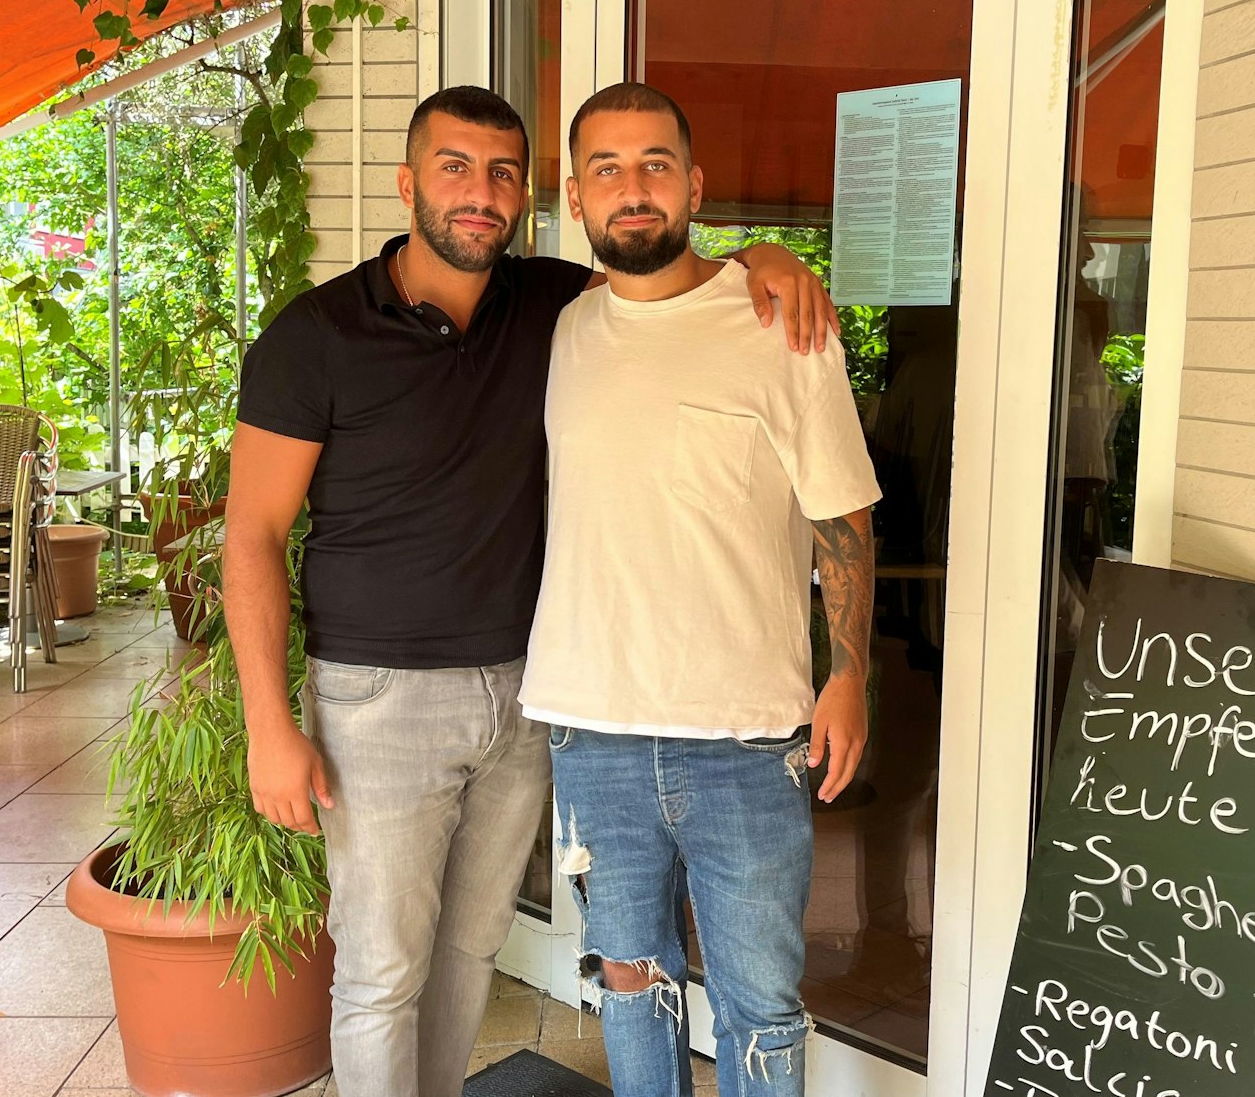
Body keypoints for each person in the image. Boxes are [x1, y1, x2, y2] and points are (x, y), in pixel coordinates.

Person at [223, 85, 836, 1097]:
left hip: (524, 696)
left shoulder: (550, 303)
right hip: (377, 699)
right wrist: (265, 725)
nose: (480, 193)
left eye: (502, 173)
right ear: (407, 182)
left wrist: (763, 259)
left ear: (528, 195)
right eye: (454, 168)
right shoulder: (317, 335)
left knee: (468, 953)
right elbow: (250, 536)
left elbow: (661, 264)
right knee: (380, 975)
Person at [520, 82, 881, 1096]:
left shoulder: (779, 324)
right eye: (606, 168)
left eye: (655, 164)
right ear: (576, 197)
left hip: (745, 736)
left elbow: (842, 516)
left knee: (759, 1002)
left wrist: (849, 673)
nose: (632, 187)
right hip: (591, 728)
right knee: (629, 981)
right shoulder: (559, 328)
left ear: (694, 185)